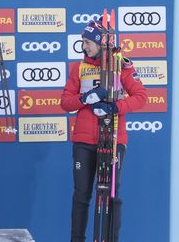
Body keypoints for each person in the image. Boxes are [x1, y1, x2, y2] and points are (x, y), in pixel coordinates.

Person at [60, 20, 147, 242]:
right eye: (83, 42)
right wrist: (85, 98)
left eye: (88, 42)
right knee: (81, 195)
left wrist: (115, 107)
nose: (84, 46)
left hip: (113, 139)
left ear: (101, 43)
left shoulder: (121, 66)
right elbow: (65, 102)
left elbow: (141, 97)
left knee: (110, 195)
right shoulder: (79, 67)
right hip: (84, 141)